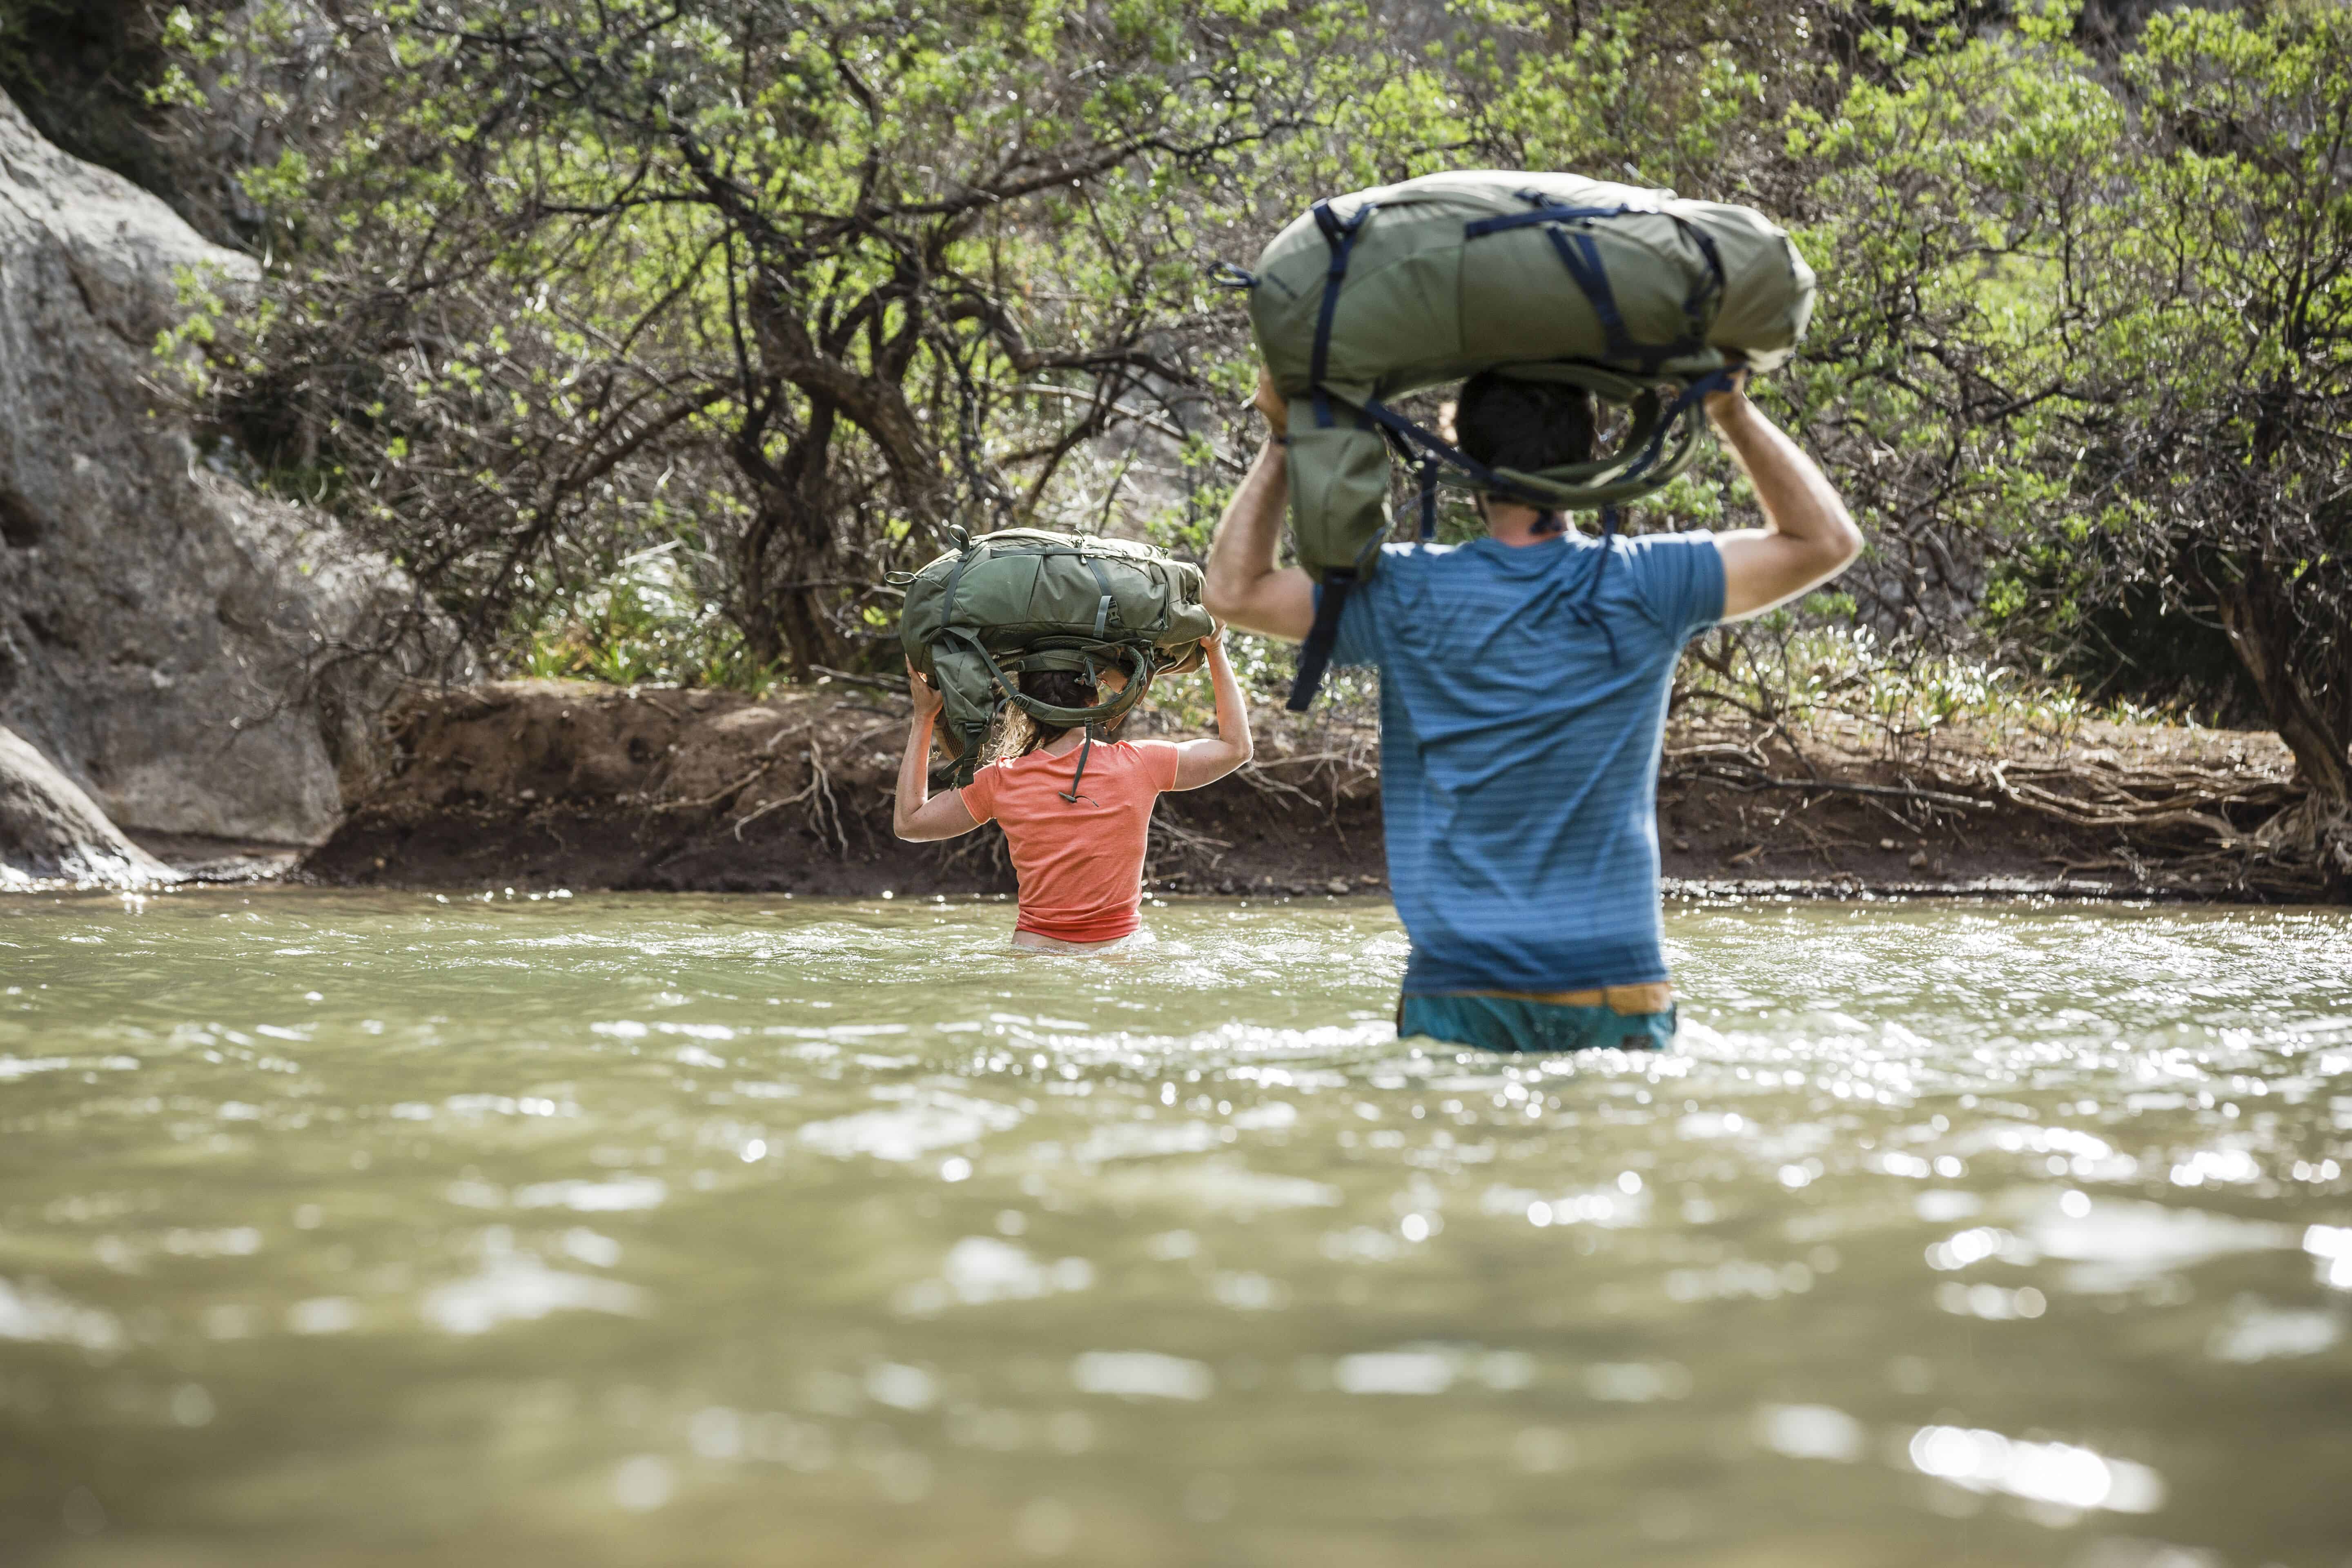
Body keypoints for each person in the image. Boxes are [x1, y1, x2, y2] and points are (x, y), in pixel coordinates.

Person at [1205, 367, 1862, 1050]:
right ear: (1591, 452)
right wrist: (1729, 408)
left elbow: (1233, 590)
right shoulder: (1646, 581)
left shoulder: (1408, 592)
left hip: (1460, 987)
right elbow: (1826, 541)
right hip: (1613, 978)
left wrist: (1284, 437)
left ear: (1463, 453)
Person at [893, 630, 1254, 951]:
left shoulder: (1000, 781)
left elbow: (910, 824)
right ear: (1094, 702)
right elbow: (1237, 748)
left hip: (1035, 956)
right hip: (1118, 957)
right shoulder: (1142, 763)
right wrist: (1215, 649)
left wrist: (924, 716)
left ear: (1023, 708)